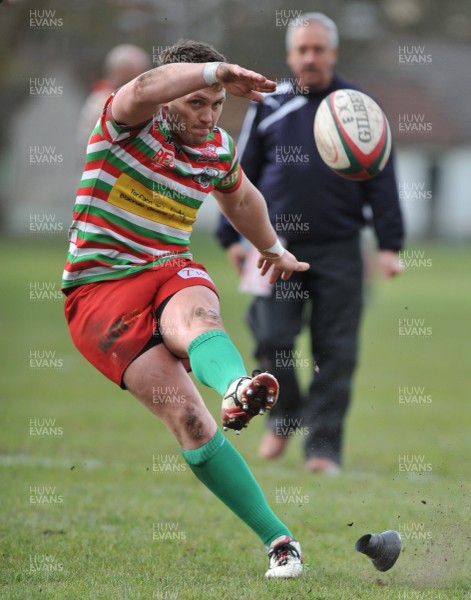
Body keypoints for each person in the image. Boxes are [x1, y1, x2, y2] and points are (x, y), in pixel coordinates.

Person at [62, 39, 309, 578]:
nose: (208, 116)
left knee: (198, 316)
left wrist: (272, 247)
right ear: (172, 96)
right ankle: (231, 416)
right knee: (190, 421)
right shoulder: (126, 123)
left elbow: (241, 198)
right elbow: (146, 86)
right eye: (196, 102)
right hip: (98, 290)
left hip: (167, 268)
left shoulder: (217, 148)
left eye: (216, 104)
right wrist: (214, 69)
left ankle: (280, 537)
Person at [216, 13, 404, 474]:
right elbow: (239, 174)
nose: (310, 58)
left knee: (335, 352)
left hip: (340, 247)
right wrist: (233, 235)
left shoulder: (358, 107)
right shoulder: (270, 102)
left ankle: (323, 449)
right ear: (289, 55)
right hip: (273, 249)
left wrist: (388, 244)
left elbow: (382, 179)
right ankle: (283, 415)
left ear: (333, 54)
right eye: (302, 50)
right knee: (272, 339)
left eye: (319, 49)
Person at [76, 44, 151, 156]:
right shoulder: (103, 99)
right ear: (118, 71)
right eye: (135, 72)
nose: (141, 78)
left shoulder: (113, 96)